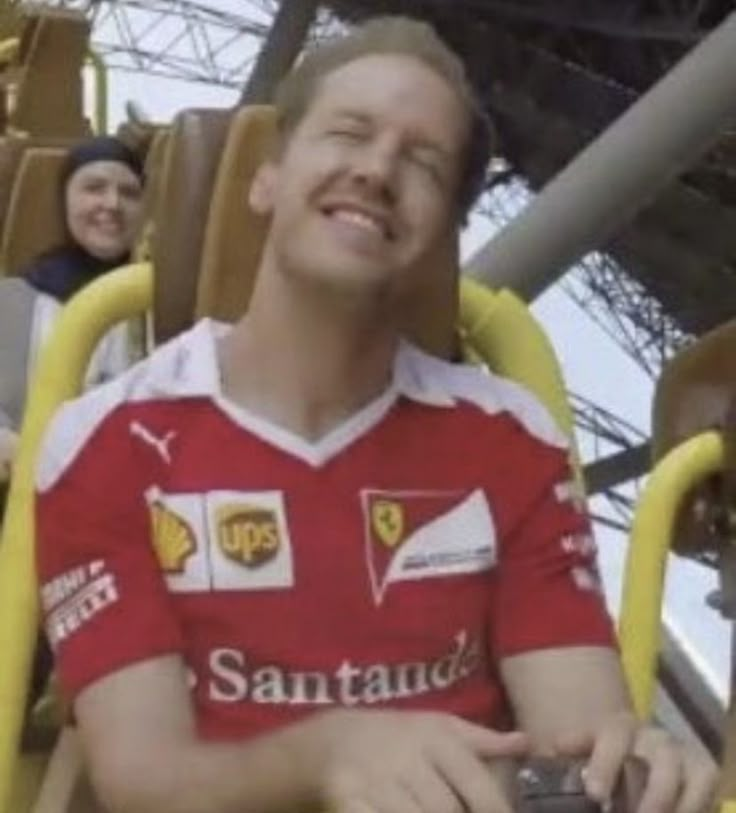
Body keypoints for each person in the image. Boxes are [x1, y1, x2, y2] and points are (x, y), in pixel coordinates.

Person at [35, 17, 717, 813]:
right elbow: (144, 782)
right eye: (348, 133)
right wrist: (331, 751)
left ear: (443, 235)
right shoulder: (105, 440)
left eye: (423, 162)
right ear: (267, 176)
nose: (377, 170)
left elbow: (579, 740)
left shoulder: (510, 439)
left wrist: (630, 768)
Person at [0, 136, 145, 487]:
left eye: (129, 193)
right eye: (94, 188)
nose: (112, 203)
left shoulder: (160, 299)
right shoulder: (13, 299)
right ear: (64, 201)